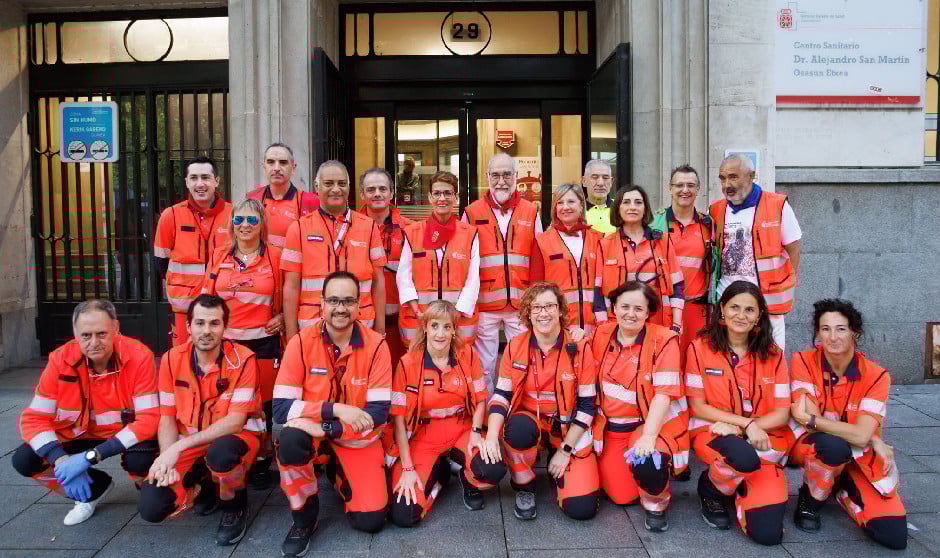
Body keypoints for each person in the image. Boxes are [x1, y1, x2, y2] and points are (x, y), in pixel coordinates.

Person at [273, 271, 392, 556]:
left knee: (371, 520)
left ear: (359, 305)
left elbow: (377, 413)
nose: (341, 308)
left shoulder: (376, 345)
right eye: (334, 300)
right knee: (289, 442)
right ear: (322, 303)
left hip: (354, 438)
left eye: (348, 301)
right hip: (312, 433)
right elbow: (279, 408)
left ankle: (335, 472)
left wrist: (328, 428)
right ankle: (304, 517)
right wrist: (335, 409)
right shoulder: (300, 343)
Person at [13, 300, 159, 525]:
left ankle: (144, 484)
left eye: (101, 334)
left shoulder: (139, 356)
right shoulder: (59, 360)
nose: (94, 343)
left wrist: (90, 457)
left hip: (122, 435)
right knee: (25, 460)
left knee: (142, 464)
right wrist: (61, 462)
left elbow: (148, 419)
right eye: (86, 335)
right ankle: (90, 491)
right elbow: (34, 420)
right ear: (75, 333)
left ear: (116, 329)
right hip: (77, 434)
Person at [138, 295, 265, 546]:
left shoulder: (243, 360)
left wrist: (177, 448)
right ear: (188, 327)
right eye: (199, 323)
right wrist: (167, 459)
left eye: (214, 323)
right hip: (190, 443)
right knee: (152, 507)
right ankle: (204, 484)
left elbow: (235, 422)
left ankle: (234, 507)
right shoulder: (171, 360)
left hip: (237, 439)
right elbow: (166, 417)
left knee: (222, 452)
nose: (206, 331)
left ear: (224, 327)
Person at [789, 299, 907, 549]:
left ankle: (840, 488)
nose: (832, 337)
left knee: (892, 535)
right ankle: (811, 498)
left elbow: (816, 420)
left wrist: (867, 437)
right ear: (817, 333)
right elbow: (809, 424)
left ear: (856, 332)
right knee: (831, 447)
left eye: (841, 329)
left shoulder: (877, 376)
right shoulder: (803, 360)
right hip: (815, 447)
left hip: (858, 456)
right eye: (825, 329)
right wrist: (865, 436)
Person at [685, 280, 792, 546]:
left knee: (768, 534)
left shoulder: (773, 354)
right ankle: (712, 489)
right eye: (734, 307)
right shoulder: (699, 348)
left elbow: (781, 414)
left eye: (749, 310)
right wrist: (745, 424)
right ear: (722, 309)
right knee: (740, 456)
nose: (740, 316)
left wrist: (748, 428)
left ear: (759, 316)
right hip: (715, 432)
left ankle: (741, 486)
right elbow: (697, 406)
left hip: (764, 440)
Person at [485, 281, 599, 522]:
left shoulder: (579, 347)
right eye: (536, 308)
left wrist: (565, 451)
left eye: (549, 306)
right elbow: (502, 395)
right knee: (517, 430)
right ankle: (524, 485)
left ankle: (557, 458)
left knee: (581, 509)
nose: (543, 313)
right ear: (528, 313)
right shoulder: (516, 345)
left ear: (560, 310)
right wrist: (491, 435)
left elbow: (588, 406)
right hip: (530, 422)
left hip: (567, 428)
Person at [388, 300, 507, 527]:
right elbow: (399, 420)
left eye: (446, 327)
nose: (440, 334)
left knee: (493, 469)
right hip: (423, 436)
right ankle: (439, 480)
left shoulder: (467, 355)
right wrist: (407, 467)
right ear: (425, 328)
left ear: (454, 330)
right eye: (434, 326)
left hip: (461, 429)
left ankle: (469, 480)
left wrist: (475, 432)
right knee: (404, 514)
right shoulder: (407, 363)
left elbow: (481, 398)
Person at [590, 281, 688, 532]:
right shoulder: (601, 334)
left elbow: (664, 394)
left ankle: (656, 503)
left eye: (638, 308)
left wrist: (649, 436)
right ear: (613, 308)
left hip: (647, 425)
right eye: (624, 307)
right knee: (621, 497)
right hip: (610, 428)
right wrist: (577, 336)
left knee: (647, 460)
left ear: (648, 312)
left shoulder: (664, 339)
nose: (630, 314)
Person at [203, 198, 283, 488]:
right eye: (239, 220)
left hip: (264, 343)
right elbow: (207, 300)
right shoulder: (219, 256)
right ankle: (232, 455)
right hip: (227, 346)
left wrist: (284, 315)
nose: (245, 225)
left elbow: (289, 294)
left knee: (264, 404)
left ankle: (262, 459)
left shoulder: (275, 255)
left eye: (252, 220)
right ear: (231, 224)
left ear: (262, 223)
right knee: (230, 404)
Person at [462, 153, 542, 393]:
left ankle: (518, 408)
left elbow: (538, 256)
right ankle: (487, 414)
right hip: (485, 303)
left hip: (521, 302)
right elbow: (463, 258)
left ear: (516, 177)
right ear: (487, 177)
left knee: (522, 361)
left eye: (507, 174)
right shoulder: (472, 212)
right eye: (495, 175)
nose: (501, 181)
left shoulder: (531, 211)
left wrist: (535, 299)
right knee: (485, 364)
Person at [281, 160, 387, 339]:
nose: (336, 189)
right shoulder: (298, 229)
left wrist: (380, 329)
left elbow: (379, 283)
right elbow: (291, 287)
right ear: (316, 186)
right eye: (329, 184)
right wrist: (292, 337)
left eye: (342, 184)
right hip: (313, 326)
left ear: (349, 186)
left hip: (361, 324)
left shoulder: (369, 227)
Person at [710, 154, 801, 351]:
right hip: (728, 302)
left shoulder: (777, 205)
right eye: (722, 178)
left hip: (767, 303)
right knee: (729, 361)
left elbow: (793, 248)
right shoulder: (716, 210)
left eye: (733, 177)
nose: (727, 184)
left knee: (770, 360)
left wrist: (786, 284)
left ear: (751, 176)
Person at [154, 156, 232, 346]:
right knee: (184, 361)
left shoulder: (233, 214)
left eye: (205, 177)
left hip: (223, 306)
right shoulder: (170, 215)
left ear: (217, 181)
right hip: (184, 308)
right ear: (187, 182)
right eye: (194, 178)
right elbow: (160, 261)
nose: (200, 184)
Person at [398, 171, 480, 348]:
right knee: (419, 368)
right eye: (437, 193)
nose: (442, 198)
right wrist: (417, 311)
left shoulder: (470, 233)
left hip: (459, 320)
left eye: (447, 193)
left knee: (459, 367)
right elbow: (403, 276)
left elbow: (473, 279)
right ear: (429, 197)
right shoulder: (413, 232)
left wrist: (456, 314)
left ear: (456, 197)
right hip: (420, 318)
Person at [593, 185, 684, 331]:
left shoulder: (663, 241)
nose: (632, 207)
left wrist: (676, 325)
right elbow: (598, 294)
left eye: (638, 202)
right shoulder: (605, 245)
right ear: (618, 208)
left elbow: (677, 286)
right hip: (619, 328)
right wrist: (605, 328)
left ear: (645, 209)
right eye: (626, 202)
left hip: (659, 325)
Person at [651, 165, 713, 362]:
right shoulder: (654, 224)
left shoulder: (708, 225)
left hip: (696, 310)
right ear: (670, 188)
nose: (684, 190)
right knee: (663, 365)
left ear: (698, 189)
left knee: (694, 365)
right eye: (679, 185)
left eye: (690, 185)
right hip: (663, 309)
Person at [531, 183, 602, 338]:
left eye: (571, 201)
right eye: (560, 203)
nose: (565, 207)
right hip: (559, 325)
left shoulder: (599, 239)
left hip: (597, 326)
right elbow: (536, 288)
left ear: (581, 205)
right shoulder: (542, 241)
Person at [359, 167, 414, 366]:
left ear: (391, 193)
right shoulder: (350, 229)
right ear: (362, 194)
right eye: (371, 189)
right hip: (362, 322)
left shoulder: (410, 230)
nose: (377, 194)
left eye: (383, 189)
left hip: (401, 323)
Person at [245, 142, 319, 248]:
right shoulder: (252, 198)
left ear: (293, 167)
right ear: (264, 166)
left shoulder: (310, 202)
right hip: (260, 264)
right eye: (271, 162)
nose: (276, 168)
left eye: (283, 162)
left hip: (293, 264)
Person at [582, 159, 616, 234]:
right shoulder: (575, 210)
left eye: (605, 178)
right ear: (584, 181)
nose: (600, 183)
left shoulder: (621, 208)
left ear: (611, 182)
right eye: (595, 177)